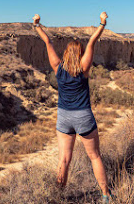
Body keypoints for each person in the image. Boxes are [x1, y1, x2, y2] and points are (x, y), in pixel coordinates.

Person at [32, 12, 111, 203]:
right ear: (80, 53)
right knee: (94, 156)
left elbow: (48, 42)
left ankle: (59, 196)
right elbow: (92, 42)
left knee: (64, 160)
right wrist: (102, 23)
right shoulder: (84, 67)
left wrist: (36, 25)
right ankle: (106, 195)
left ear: (66, 53)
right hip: (83, 116)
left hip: (64, 117)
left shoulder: (57, 67)